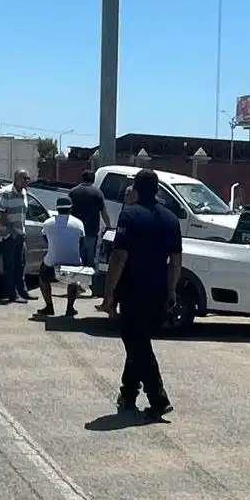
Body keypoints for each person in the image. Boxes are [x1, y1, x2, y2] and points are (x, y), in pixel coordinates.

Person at [100, 168, 181, 418]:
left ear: (135, 189)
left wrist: (108, 294)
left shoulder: (129, 215)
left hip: (133, 289)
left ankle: (158, 396)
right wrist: (172, 290)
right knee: (139, 341)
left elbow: (119, 256)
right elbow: (176, 259)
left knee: (137, 343)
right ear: (157, 189)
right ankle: (128, 394)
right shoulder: (171, 218)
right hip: (157, 290)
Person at [35, 196, 87, 319]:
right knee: (73, 280)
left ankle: (49, 306)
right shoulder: (79, 223)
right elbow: (82, 243)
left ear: (57, 209)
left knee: (43, 277)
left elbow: (45, 239)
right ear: (71, 209)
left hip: (52, 260)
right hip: (73, 260)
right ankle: (70, 308)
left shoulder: (48, 223)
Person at [0, 169, 31, 304]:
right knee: (10, 266)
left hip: (20, 234)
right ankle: (12, 294)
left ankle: (22, 291)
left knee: (20, 265)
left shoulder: (24, 193)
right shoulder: (6, 193)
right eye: (24, 178)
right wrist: (12, 230)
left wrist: (21, 231)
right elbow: (0, 212)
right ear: (16, 178)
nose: (27, 181)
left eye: (28, 178)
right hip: (8, 235)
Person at [68, 168, 110, 269]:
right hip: (91, 232)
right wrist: (109, 227)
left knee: (76, 260)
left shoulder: (73, 192)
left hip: (75, 232)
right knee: (89, 263)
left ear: (82, 178)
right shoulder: (97, 193)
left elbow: (67, 212)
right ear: (93, 180)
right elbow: (103, 212)